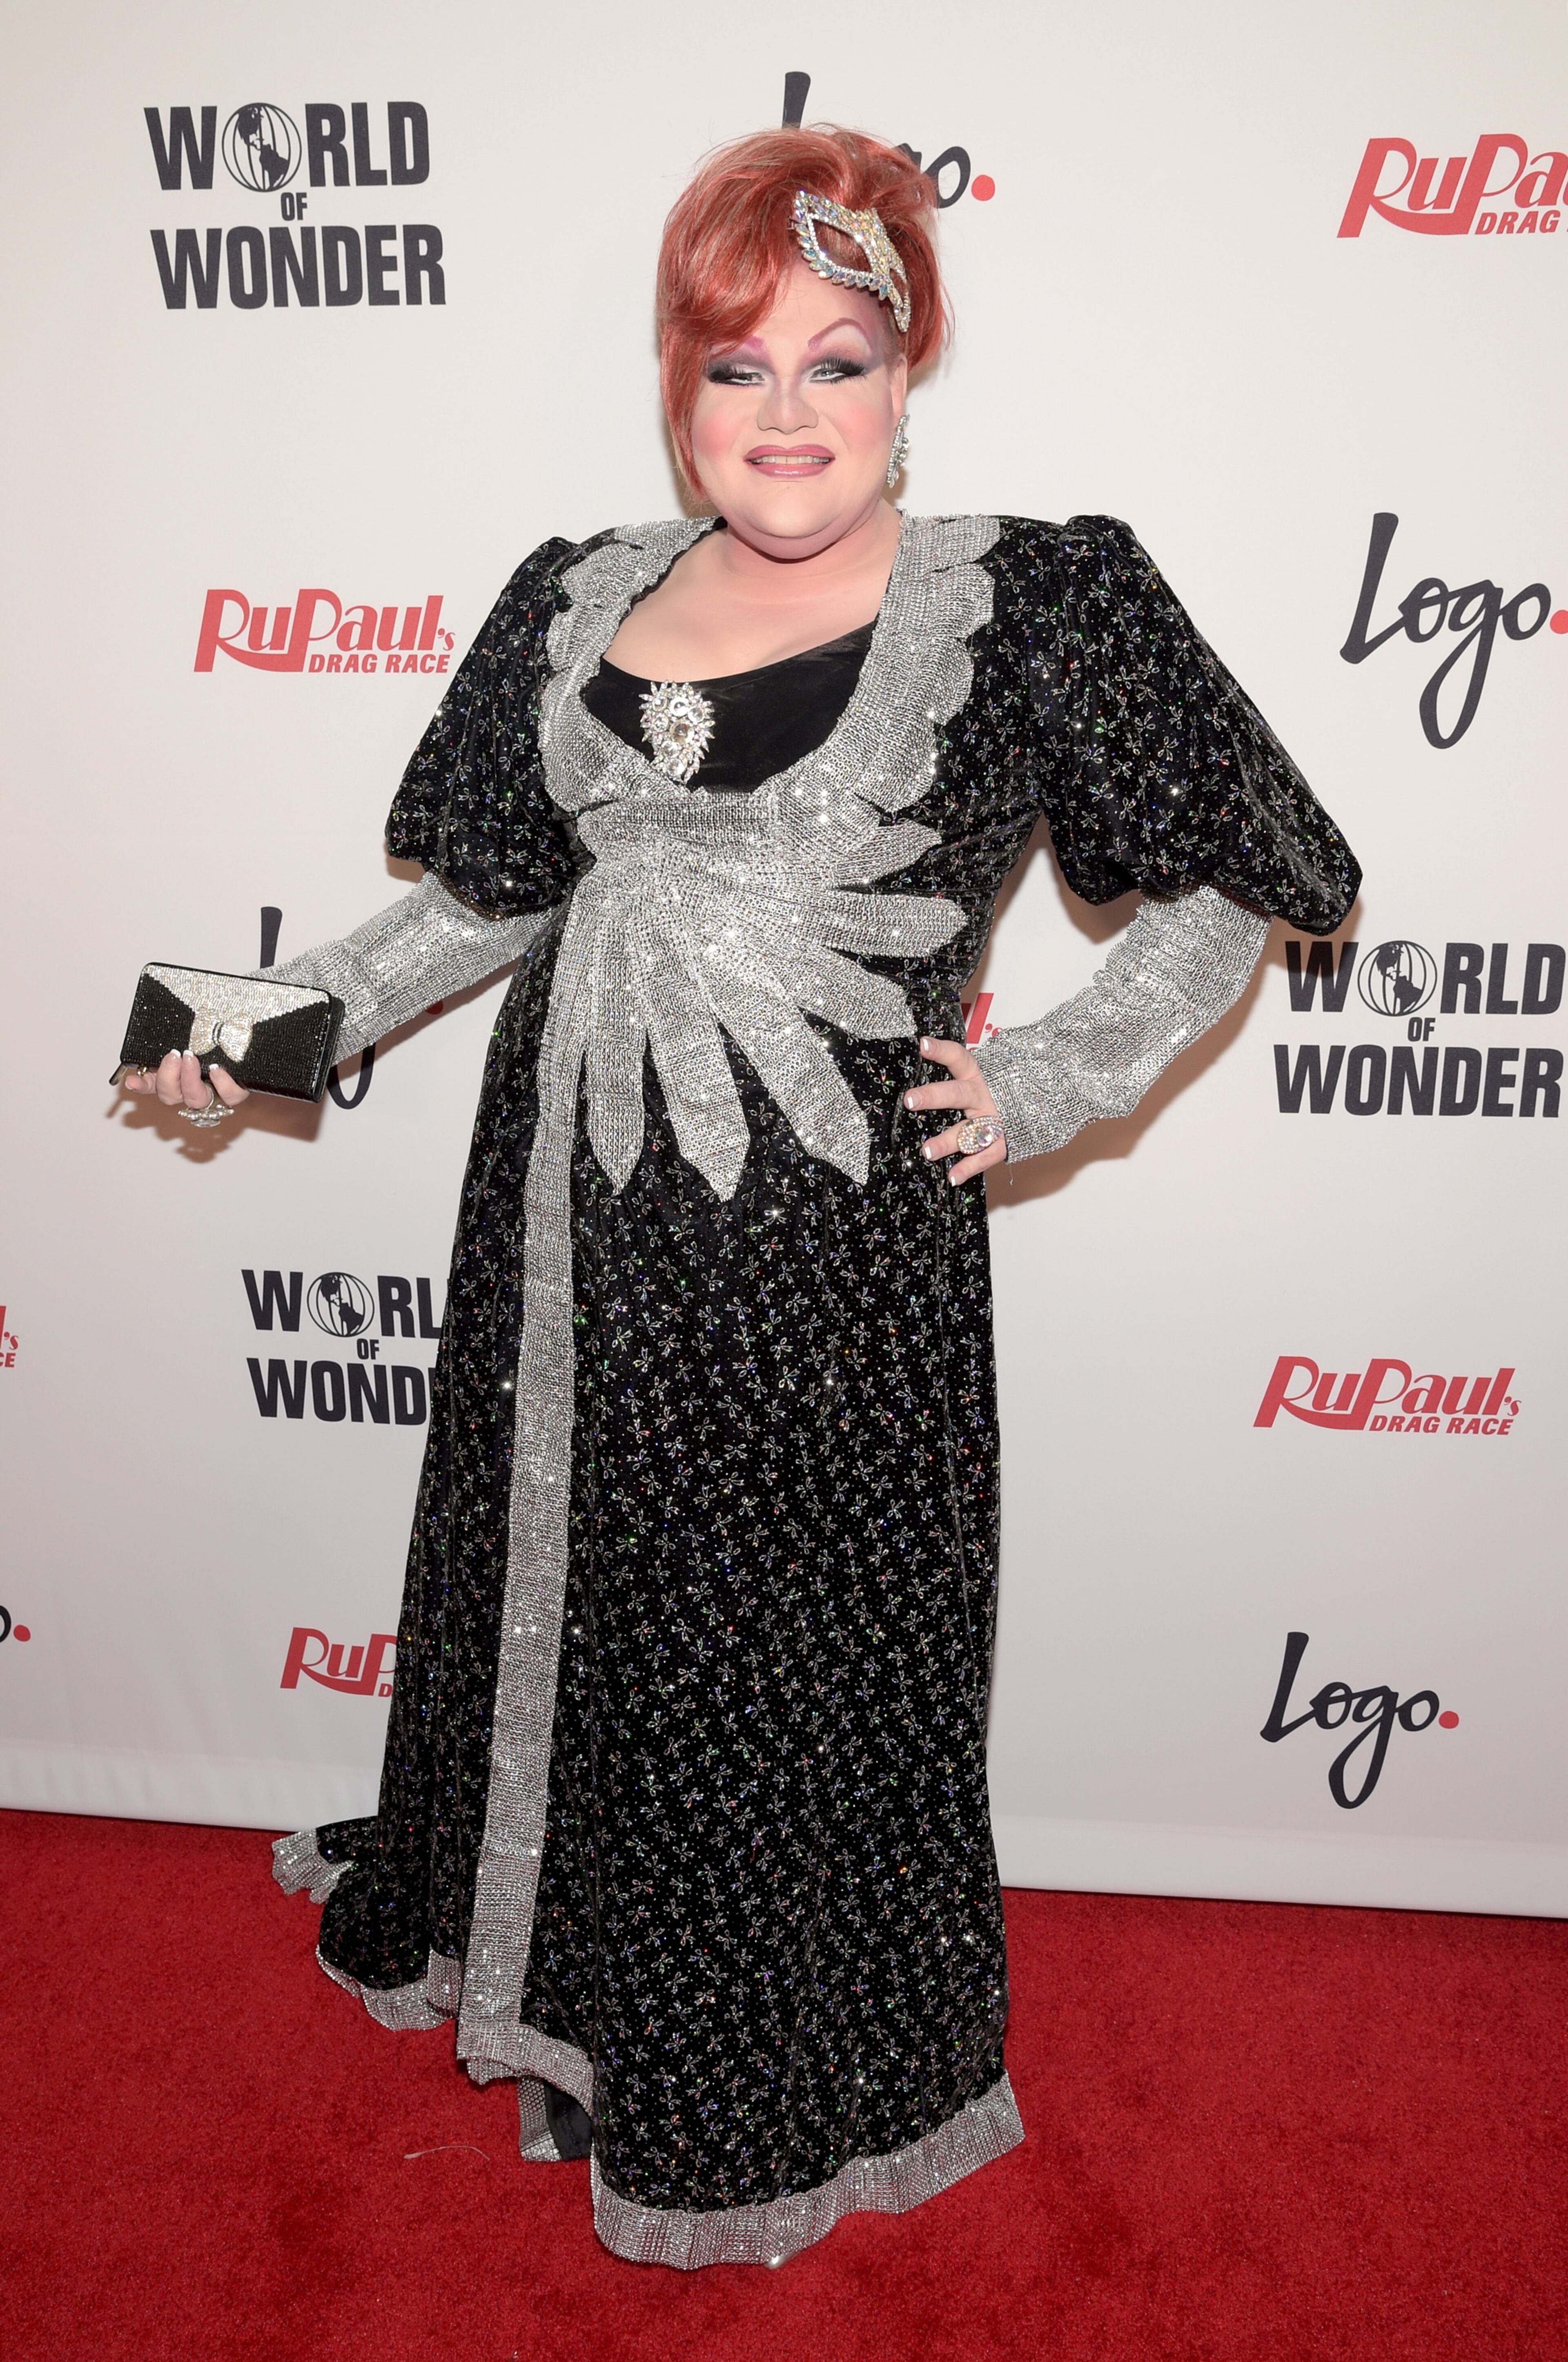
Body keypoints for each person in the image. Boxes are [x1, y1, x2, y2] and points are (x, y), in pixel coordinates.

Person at [124, 125, 1358, 2268]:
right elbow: (466, 921)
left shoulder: (1031, 597)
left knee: (784, 1678)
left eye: (840, 358)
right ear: (674, 389)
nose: (786, 413)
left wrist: (1055, 1074)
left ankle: (764, 2088)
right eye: (735, 367)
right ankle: (581, 1998)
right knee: (580, 1638)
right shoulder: (578, 595)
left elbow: (1249, 871)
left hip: (836, 1287)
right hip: (572, 1261)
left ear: (913, 372)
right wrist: (241, 1025)